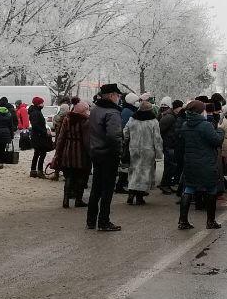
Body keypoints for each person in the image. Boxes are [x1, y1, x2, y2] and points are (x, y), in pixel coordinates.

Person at [175, 99, 224, 230]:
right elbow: (217, 141)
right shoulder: (205, 125)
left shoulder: (185, 125)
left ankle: (183, 220)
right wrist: (220, 131)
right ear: (200, 111)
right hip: (206, 163)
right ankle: (210, 221)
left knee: (189, 188)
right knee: (211, 189)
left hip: (190, 163)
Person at [87, 83, 124, 231]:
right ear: (111, 95)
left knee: (96, 187)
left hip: (96, 152)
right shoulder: (112, 113)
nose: (119, 97)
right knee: (107, 189)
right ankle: (104, 221)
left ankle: (91, 220)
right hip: (108, 154)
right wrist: (118, 152)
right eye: (117, 95)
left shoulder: (95, 110)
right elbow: (114, 136)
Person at [123, 97, 163, 205]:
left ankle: (131, 193)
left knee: (134, 170)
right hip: (148, 150)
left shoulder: (132, 119)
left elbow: (125, 132)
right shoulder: (153, 121)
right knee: (145, 172)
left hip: (134, 148)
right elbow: (157, 138)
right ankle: (140, 197)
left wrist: (126, 140)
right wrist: (159, 153)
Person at [53, 98, 91, 208]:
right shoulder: (85, 121)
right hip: (81, 152)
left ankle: (65, 200)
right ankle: (78, 200)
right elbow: (87, 139)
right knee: (80, 176)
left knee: (69, 176)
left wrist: (58, 152)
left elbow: (61, 137)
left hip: (67, 150)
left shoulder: (67, 119)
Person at [158, 100, 181, 193]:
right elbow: (160, 129)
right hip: (168, 143)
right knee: (170, 165)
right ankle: (164, 185)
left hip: (171, 143)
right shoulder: (169, 117)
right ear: (177, 107)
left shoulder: (172, 116)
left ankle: (166, 184)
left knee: (171, 165)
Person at [28, 97, 50, 176]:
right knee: (42, 153)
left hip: (37, 135)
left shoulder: (35, 112)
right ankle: (39, 171)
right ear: (38, 104)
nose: (43, 105)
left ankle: (33, 171)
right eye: (41, 103)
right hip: (39, 136)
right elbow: (36, 125)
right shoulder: (36, 113)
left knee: (37, 153)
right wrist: (44, 132)